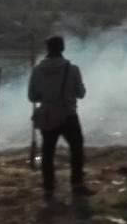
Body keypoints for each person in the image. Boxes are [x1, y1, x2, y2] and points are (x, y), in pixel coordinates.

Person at [28, 35, 88, 208]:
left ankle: (48, 188)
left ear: (47, 49)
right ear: (62, 48)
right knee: (76, 149)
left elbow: (32, 96)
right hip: (68, 114)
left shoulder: (37, 70)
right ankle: (77, 184)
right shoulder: (72, 69)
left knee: (47, 153)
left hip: (47, 115)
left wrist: (47, 97)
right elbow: (81, 93)